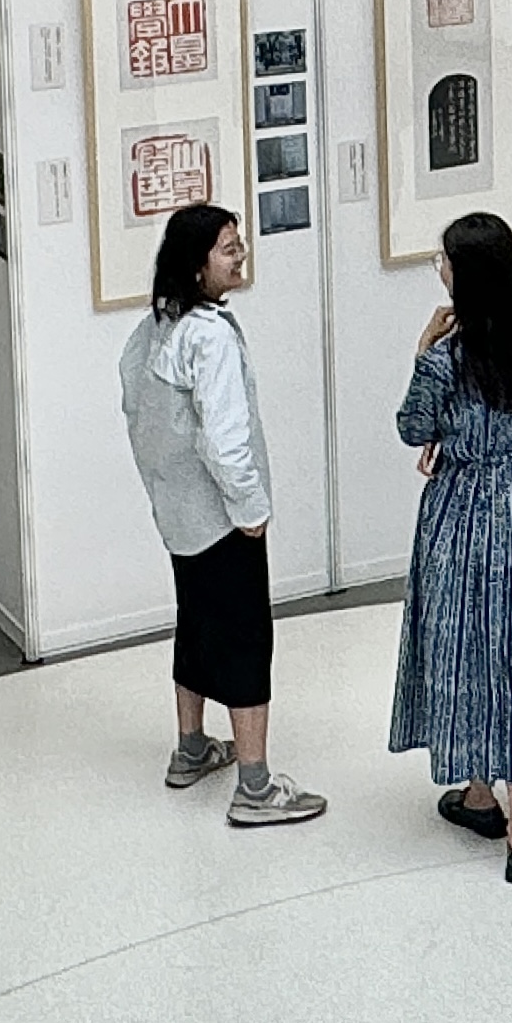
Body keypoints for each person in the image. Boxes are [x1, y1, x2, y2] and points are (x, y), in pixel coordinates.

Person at [118, 203, 325, 828]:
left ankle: (191, 748)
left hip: (179, 515)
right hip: (222, 518)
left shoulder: (154, 327)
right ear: (196, 265)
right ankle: (255, 786)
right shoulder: (208, 336)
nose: (241, 256)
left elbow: (138, 414)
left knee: (196, 624)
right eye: (229, 249)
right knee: (244, 639)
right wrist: (250, 508)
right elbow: (226, 440)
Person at [388, 211, 512, 883]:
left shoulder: (446, 357)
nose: (439, 268)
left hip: (459, 511)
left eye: (444, 260)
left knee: (462, 646)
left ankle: (477, 793)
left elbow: (412, 426)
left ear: (467, 276)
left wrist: (422, 355)